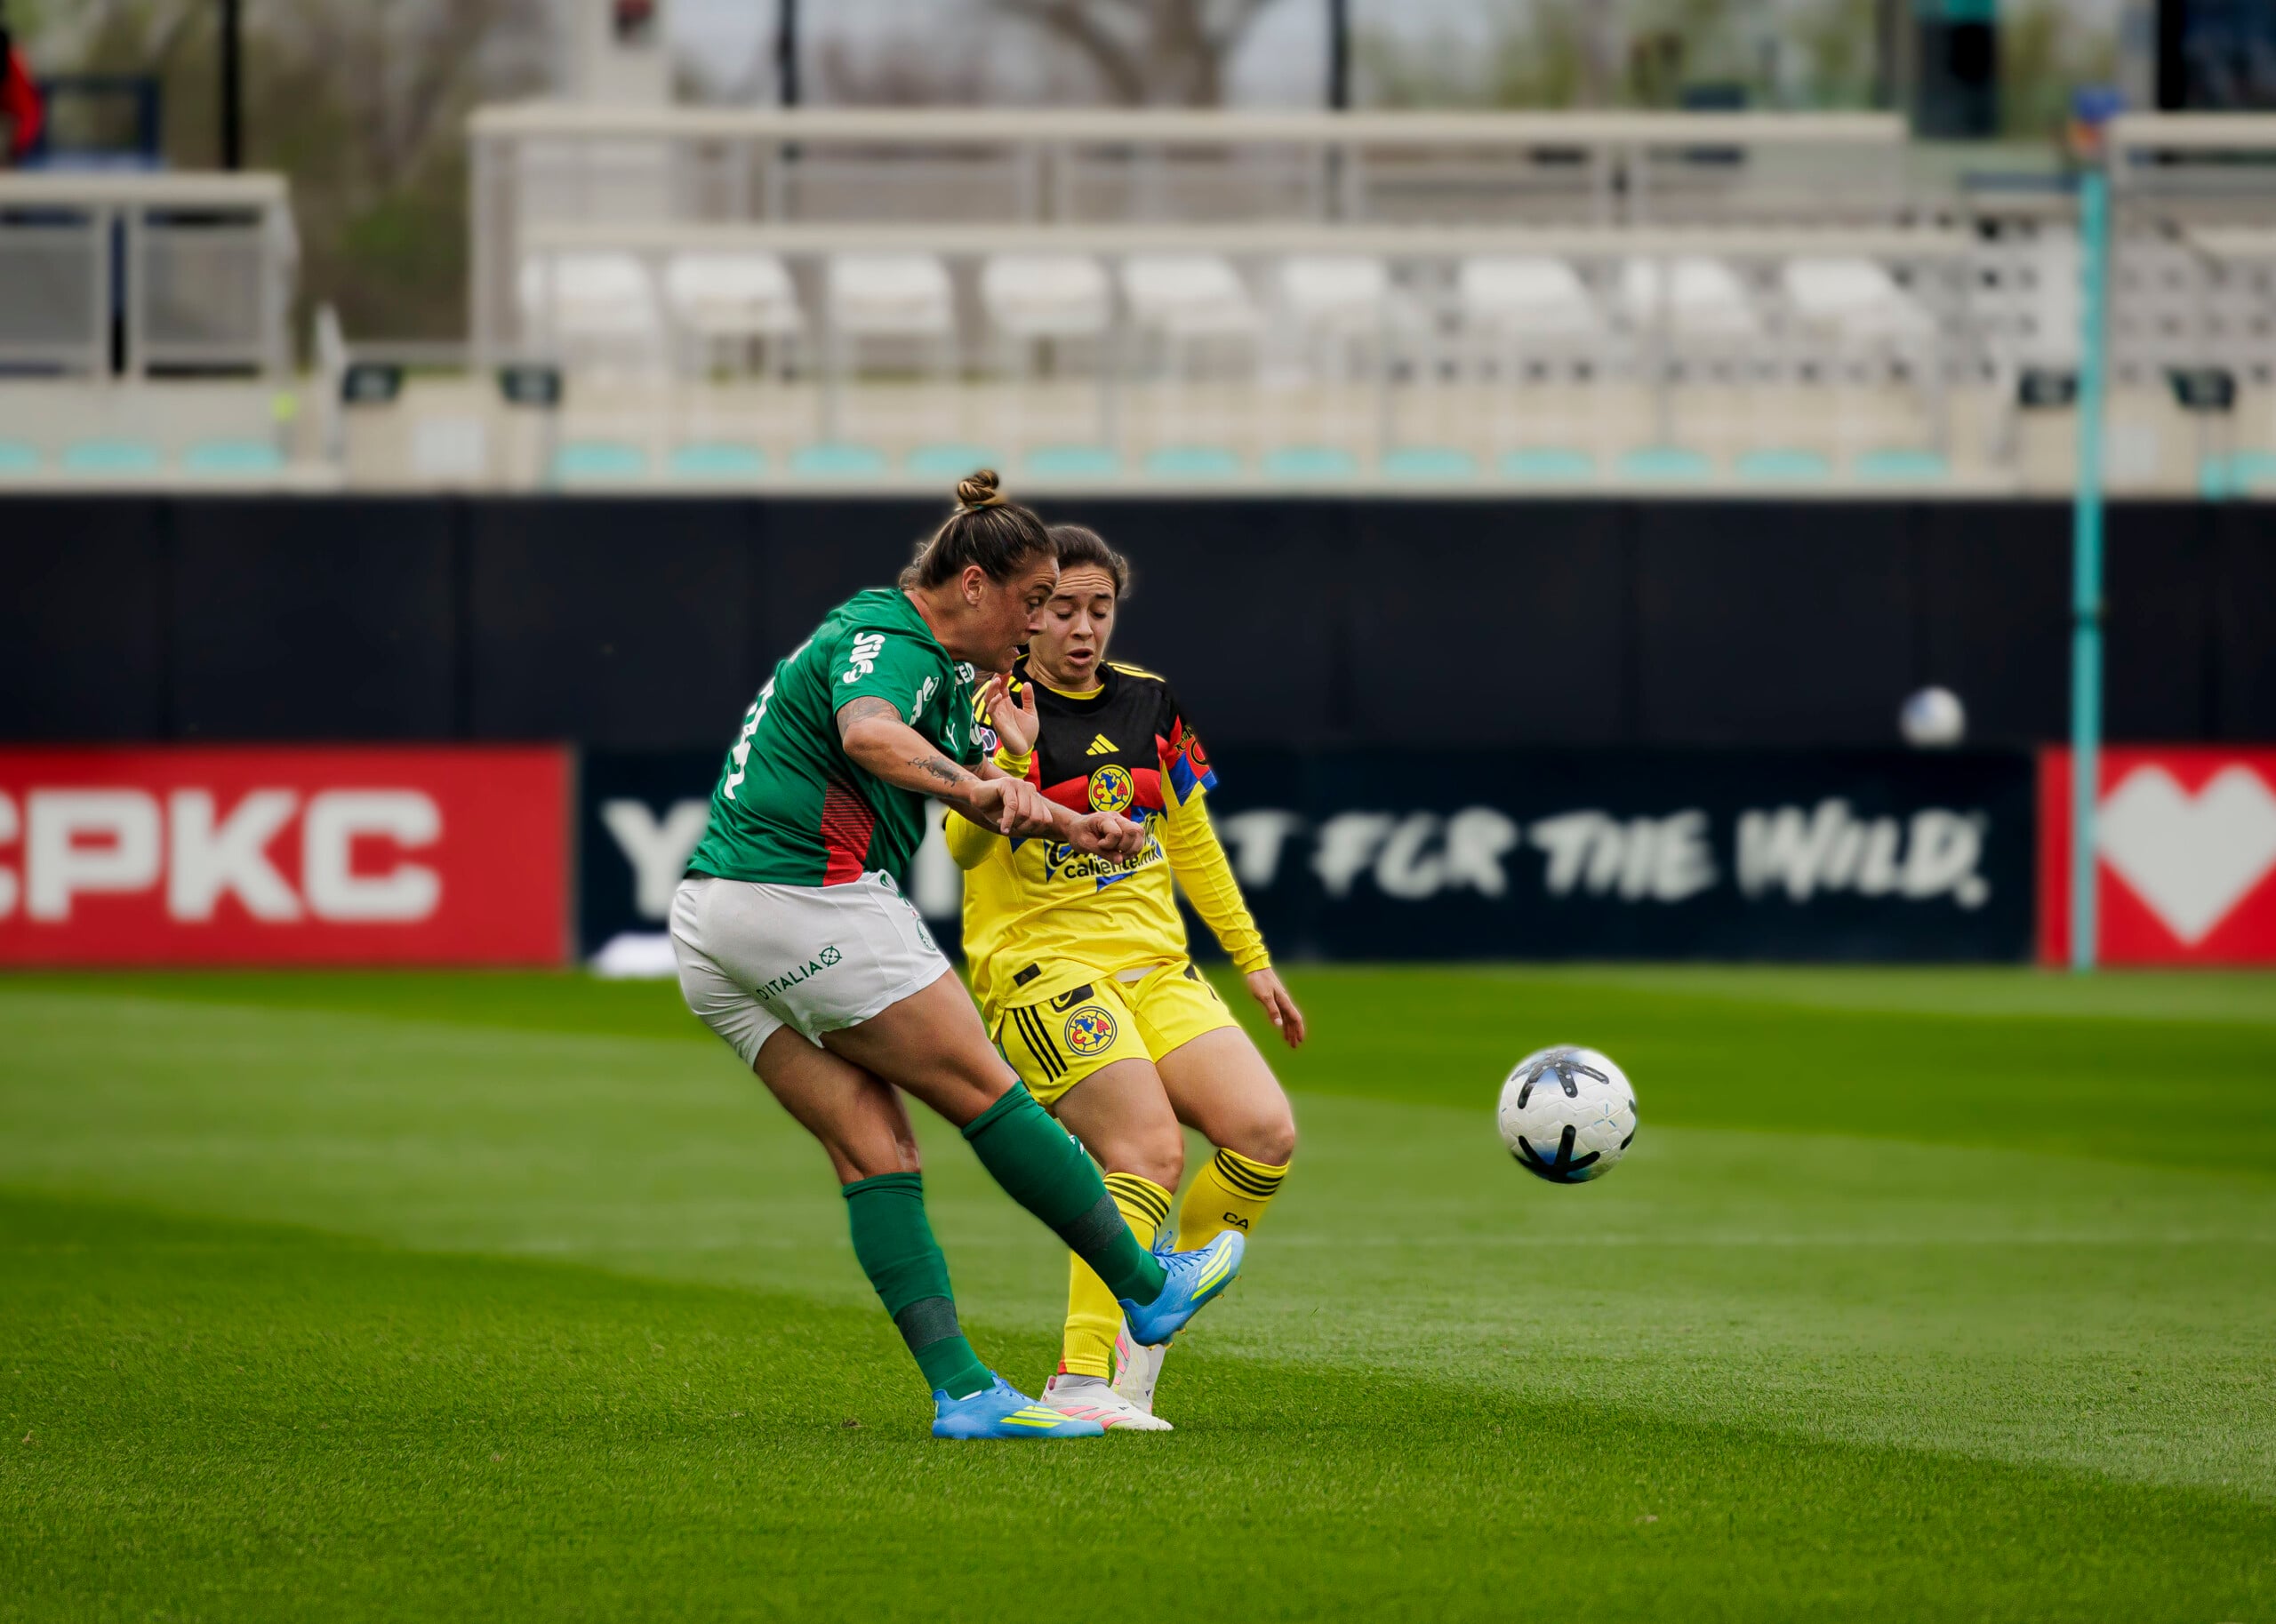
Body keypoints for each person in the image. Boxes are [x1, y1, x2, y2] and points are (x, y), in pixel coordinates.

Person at [669, 473, 1246, 1441]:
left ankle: (965, 1392)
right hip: (807, 897)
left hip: (714, 921)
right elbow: (869, 735)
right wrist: (976, 790)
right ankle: (1148, 1287)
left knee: (875, 1151)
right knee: (988, 1091)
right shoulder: (895, 642)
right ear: (973, 585)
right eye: (1033, 601)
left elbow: (977, 780)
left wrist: (1068, 819)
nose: (1037, 626)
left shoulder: (910, 650)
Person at [946, 523, 1302, 1431]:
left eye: (1099, 609)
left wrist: (1253, 960)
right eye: (1062, 609)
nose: (1083, 629)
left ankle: (1142, 1348)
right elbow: (961, 845)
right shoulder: (992, 704)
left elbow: (1193, 841)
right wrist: (1013, 757)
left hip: (1155, 965)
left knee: (1263, 1132)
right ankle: (1078, 1379)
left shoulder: (1150, 701)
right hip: (1042, 968)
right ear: (1029, 614)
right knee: (1145, 1149)